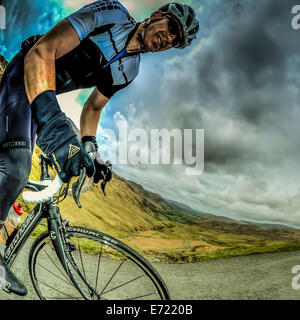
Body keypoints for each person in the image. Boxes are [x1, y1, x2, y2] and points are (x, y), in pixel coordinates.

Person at [0, 0, 199, 296]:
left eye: (176, 41)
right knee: (16, 168)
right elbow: (42, 52)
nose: (169, 39)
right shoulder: (113, 14)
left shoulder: (129, 70)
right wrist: (56, 129)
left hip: (45, 98)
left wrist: (92, 148)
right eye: (171, 28)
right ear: (157, 15)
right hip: (24, 75)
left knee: (46, 170)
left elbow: (93, 108)